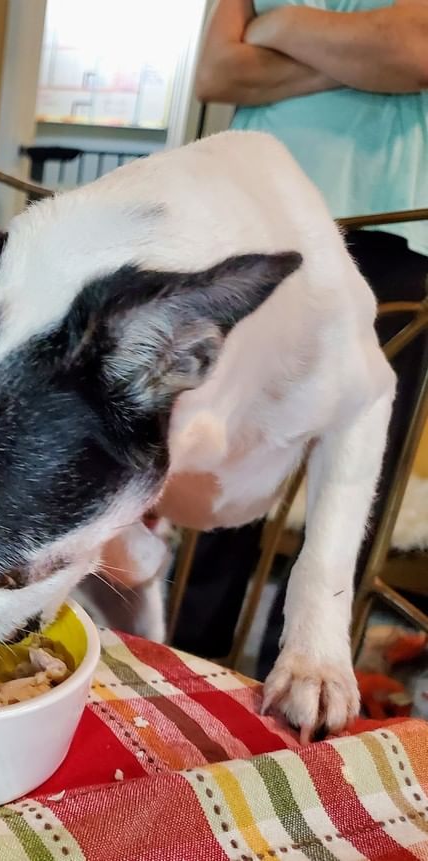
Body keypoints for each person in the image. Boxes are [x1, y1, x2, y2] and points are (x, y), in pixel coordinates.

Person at [174, 0, 428, 671]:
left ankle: (298, 678)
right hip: (259, 214)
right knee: (222, 449)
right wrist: (359, 61)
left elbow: (415, 50)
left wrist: (279, 27)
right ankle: (180, 667)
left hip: (395, 225)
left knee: (352, 475)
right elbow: (216, 70)